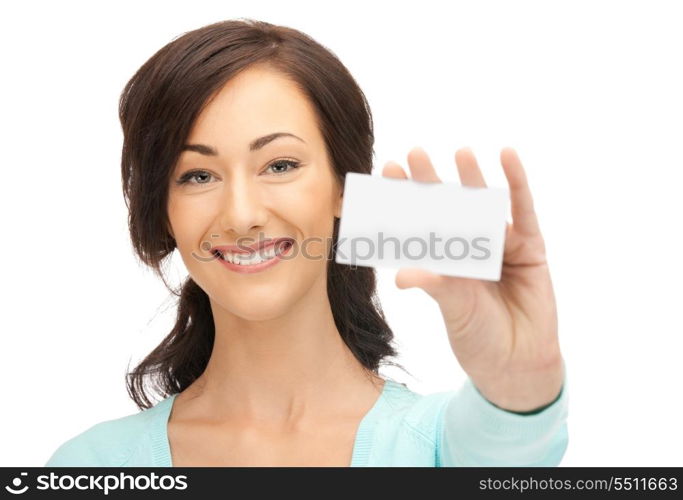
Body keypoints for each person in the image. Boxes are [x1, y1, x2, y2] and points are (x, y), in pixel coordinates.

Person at [45, 18, 568, 467]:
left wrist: (521, 389)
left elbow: (509, 454)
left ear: (346, 188)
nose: (242, 215)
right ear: (163, 210)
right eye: (198, 176)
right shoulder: (94, 465)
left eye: (280, 165)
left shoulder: (437, 446)